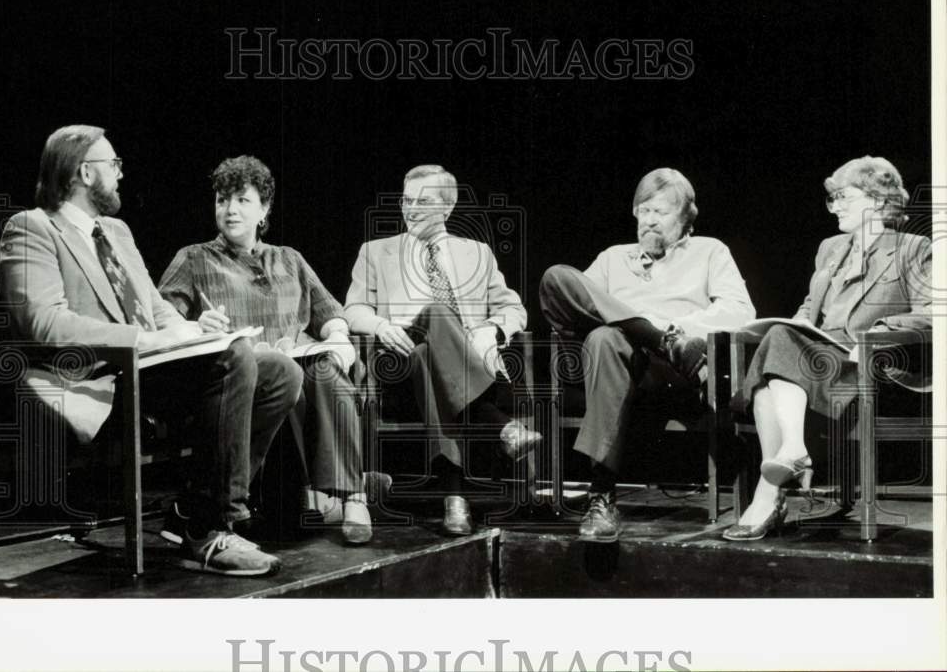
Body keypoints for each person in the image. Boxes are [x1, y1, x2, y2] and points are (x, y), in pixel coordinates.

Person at [0, 126, 302, 576]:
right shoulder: (32, 228)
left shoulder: (116, 230)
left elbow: (155, 308)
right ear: (84, 172)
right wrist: (142, 340)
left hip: (152, 371)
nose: (120, 174)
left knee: (278, 369)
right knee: (236, 359)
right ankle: (211, 527)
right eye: (113, 164)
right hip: (101, 377)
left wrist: (193, 330)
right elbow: (44, 322)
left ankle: (196, 509)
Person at [159, 155, 379, 545]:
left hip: (300, 376)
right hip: (242, 384)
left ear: (264, 209)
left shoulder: (289, 258)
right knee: (299, 381)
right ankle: (355, 488)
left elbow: (329, 313)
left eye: (242, 200)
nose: (229, 210)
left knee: (328, 370)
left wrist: (338, 336)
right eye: (222, 200)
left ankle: (353, 498)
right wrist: (195, 325)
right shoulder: (194, 259)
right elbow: (162, 321)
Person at [539, 168, 755, 541]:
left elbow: (740, 310)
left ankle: (601, 493)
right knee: (558, 279)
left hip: (670, 372)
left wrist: (673, 325)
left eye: (661, 212)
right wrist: (648, 332)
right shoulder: (612, 258)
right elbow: (574, 304)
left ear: (686, 217)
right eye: (644, 210)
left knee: (606, 336)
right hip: (615, 363)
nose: (649, 220)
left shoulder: (709, 251)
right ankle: (603, 494)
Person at [724, 156, 931, 541]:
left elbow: (934, 314)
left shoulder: (913, 249)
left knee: (775, 363)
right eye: (831, 199)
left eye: (843, 198)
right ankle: (793, 450)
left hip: (869, 362)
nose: (834, 206)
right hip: (820, 360)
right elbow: (810, 307)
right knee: (779, 343)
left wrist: (879, 332)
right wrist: (794, 323)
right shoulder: (830, 248)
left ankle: (770, 494)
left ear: (876, 200)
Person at [344, 164, 538, 535]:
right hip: (398, 360)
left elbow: (514, 309)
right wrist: (382, 326)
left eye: (423, 201)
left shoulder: (477, 254)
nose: (410, 209)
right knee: (433, 315)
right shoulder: (376, 252)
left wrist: (493, 328)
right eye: (406, 200)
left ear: (447, 208)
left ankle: (455, 497)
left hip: (464, 363)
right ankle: (500, 427)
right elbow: (352, 310)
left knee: (430, 359)